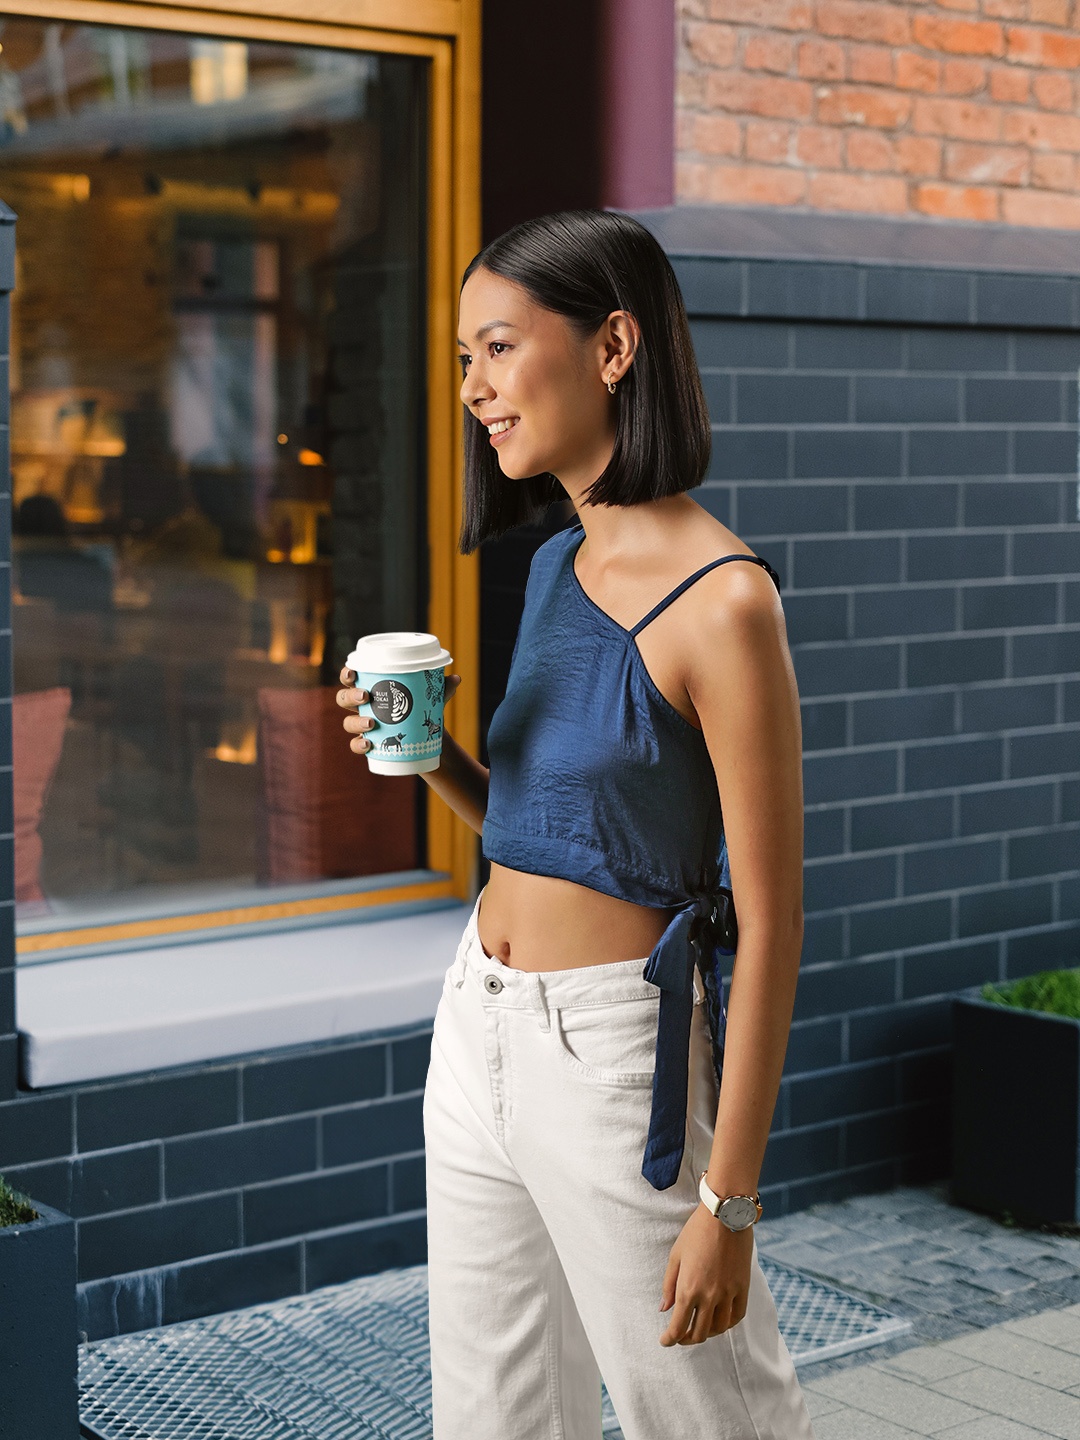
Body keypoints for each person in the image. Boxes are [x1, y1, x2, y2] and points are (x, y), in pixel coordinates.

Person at [338, 210, 815, 1440]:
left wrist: (732, 1203)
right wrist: (426, 756)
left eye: (497, 348)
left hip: (616, 1055)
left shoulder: (725, 601)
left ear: (613, 346)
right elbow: (544, 833)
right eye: (461, 361)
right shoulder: (555, 562)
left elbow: (771, 922)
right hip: (476, 1028)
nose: (475, 389)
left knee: (712, 1417)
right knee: (493, 1418)